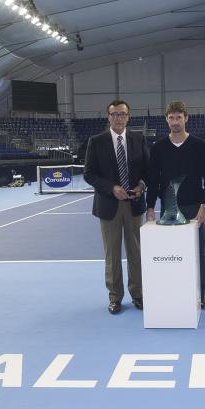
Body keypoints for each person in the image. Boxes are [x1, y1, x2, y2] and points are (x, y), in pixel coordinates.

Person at [146, 101, 205, 309]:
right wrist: (150, 207)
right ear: (166, 120)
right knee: (170, 253)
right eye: (171, 117)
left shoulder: (199, 145)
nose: (175, 121)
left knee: (199, 252)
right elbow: (153, 180)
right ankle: (176, 291)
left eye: (179, 117)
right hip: (168, 210)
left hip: (194, 208)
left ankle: (202, 292)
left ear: (186, 118)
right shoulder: (158, 148)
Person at [84, 100, 149, 314]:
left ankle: (138, 294)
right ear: (108, 117)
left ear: (128, 117)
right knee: (112, 254)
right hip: (108, 205)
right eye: (114, 114)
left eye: (122, 114)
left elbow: (148, 170)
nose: (118, 118)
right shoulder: (97, 141)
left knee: (136, 252)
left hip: (134, 205)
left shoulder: (139, 139)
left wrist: (141, 185)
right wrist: (112, 188)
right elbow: (89, 174)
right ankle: (115, 297)